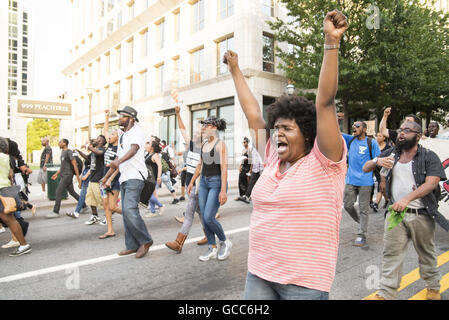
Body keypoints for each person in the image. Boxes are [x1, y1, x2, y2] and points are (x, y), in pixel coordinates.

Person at [226, 9, 348, 300]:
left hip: (304, 282)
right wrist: (235, 71)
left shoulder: (325, 162)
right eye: (277, 127)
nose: (278, 133)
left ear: (307, 133)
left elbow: (325, 103)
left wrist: (331, 44)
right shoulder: (271, 157)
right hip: (259, 273)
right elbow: (253, 112)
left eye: (287, 129)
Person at [363, 121, 447, 300]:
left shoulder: (429, 156)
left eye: (407, 131)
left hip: (422, 215)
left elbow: (431, 183)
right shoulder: (392, 154)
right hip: (395, 215)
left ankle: (433, 286)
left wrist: (407, 199)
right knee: (391, 254)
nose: (401, 133)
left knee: (426, 254)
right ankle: (386, 293)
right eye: (400, 129)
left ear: (417, 136)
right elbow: (366, 167)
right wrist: (376, 160)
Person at [103, 106, 153, 259]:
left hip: (135, 176)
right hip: (125, 177)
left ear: (131, 118)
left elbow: (133, 150)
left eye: (122, 116)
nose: (119, 119)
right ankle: (131, 245)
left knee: (130, 210)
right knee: (126, 212)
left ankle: (145, 241)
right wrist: (106, 177)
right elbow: (118, 158)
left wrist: (117, 164)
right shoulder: (124, 135)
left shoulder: (136, 131)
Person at [187, 115, 230, 262]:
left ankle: (224, 241)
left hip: (216, 183)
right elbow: (200, 165)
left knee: (208, 217)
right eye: (203, 125)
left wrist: (223, 191)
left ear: (214, 128)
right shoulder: (204, 144)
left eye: (207, 125)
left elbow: (224, 169)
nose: (203, 127)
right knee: (204, 219)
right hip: (204, 183)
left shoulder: (220, 144)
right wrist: (192, 181)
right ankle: (212, 247)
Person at [166, 105, 207, 253]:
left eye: (199, 132)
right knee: (201, 213)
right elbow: (182, 129)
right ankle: (211, 235)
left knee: (189, 214)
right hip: (191, 184)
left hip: (196, 184)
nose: (195, 134)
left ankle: (179, 242)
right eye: (195, 132)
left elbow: (201, 168)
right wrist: (178, 114)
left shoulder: (205, 148)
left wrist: (191, 183)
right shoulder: (191, 144)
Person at [342, 121, 381, 247]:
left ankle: (361, 234)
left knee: (364, 209)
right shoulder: (350, 140)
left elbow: (378, 159)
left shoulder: (372, 143)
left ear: (364, 129)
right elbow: (335, 133)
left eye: (357, 126)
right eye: (353, 125)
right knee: (347, 205)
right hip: (351, 180)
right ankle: (361, 223)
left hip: (366, 181)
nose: (354, 127)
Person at [0, 137, 31, 257]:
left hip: (1, 190)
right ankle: (23, 244)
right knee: (10, 219)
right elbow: (10, 174)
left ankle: (23, 244)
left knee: (9, 219)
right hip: (5, 189)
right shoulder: (8, 158)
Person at [98, 109, 122, 238]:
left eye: (113, 134)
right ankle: (110, 230)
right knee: (106, 206)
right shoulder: (110, 146)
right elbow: (105, 131)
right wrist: (106, 117)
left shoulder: (120, 149)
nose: (110, 136)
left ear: (118, 136)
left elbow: (118, 167)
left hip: (114, 180)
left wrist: (110, 179)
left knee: (113, 206)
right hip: (104, 179)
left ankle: (130, 215)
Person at [45, 139, 82, 219]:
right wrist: (56, 174)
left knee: (58, 191)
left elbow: (75, 165)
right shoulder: (62, 152)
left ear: (65, 143)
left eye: (60, 142)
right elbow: (62, 166)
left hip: (67, 175)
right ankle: (84, 205)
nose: (59, 143)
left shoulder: (69, 152)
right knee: (72, 192)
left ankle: (55, 211)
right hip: (63, 175)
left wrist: (78, 179)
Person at [82, 135, 106, 225]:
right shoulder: (93, 151)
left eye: (97, 139)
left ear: (101, 142)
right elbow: (88, 158)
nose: (95, 140)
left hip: (98, 179)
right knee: (91, 199)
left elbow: (99, 153)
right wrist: (78, 152)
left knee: (101, 200)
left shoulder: (102, 150)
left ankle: (108, 216)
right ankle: (95, 216)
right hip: (92, 178)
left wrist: (90, 146)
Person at [66, 144, 91, 219]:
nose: (87, 146)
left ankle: (111, 207)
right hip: (86, 174)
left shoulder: (96, 154)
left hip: (92, 175)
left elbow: (93, 165)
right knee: (83, 193)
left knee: (99, 194)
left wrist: (86, 175)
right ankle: (77, 212)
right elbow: (86, 161)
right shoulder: (90, 154)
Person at [143, 139, 165, 218]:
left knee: (148, 195)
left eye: (148, 143)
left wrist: (159, 177)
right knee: (150, 194)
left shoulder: (155, 155)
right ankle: (153, 211)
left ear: (152, 147)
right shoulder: (148, 154)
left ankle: (160, 205)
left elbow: (160, 166)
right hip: (148, 178)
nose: (146, 145)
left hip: (153, 178)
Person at [371, 132, 391, 212]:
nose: (378, 137)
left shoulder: (388, 147)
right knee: (382, 186)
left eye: (380, 136)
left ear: (384, 138)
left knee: (381, 185)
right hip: (376, 169)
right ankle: (387, 200)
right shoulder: (374, 146)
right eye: (377, 136)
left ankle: (376, 203)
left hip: (385, 169)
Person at [240, 139, 264, 204]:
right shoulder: (253, 148)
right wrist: (251, 170)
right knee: (252, 183)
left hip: (260, 170)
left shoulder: (260, 147)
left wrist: (262, 170)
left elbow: (260, 159)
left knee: (256, 184)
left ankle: (250, 196)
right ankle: (248, 196)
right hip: (255, 169)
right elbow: (253, 160)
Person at [235, 137, 251, 202]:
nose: (243, 143)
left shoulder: (249, 150)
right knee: (240, 180)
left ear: (247, 142)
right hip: (243, 166)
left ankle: (247, 195)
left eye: (244, 142)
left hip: (247, 167)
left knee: (246, 181)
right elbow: (242, 159)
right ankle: (241, 195)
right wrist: (240, 166)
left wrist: (250, 170)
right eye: (243, 142)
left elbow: (251, 160)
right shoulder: (243, 150)